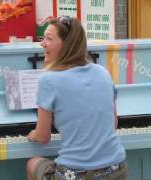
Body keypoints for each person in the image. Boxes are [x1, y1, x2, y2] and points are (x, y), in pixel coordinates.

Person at [26, 16, 127, 180]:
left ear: (67, 45)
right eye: (43, 38)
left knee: (32, 163)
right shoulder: (103, 72)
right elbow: (113, 124)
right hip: (117, 169)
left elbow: (43, 138)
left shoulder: (48, 79)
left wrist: (34, 135)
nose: (42, 43)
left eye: (49, 39)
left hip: (76, 175)